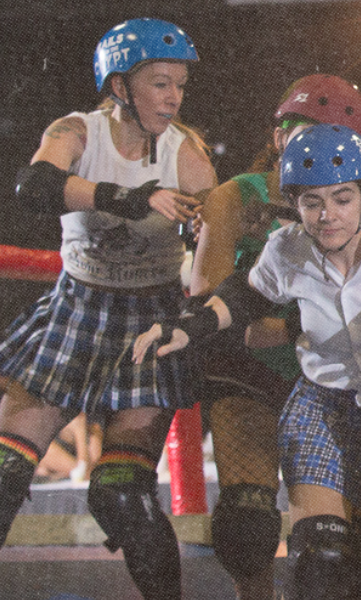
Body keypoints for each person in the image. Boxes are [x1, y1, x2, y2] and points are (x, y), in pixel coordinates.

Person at [133, 123, 361, 599]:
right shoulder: (287, 246)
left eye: (342, 198)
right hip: (322, 403)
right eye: (311, 202)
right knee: (319, 556)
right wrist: (189, 326)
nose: (327, 216)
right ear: (294, 203)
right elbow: (244, 296)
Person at [0, 18, 215, 600]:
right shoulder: (78, 131)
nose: (173, 98)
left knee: (121, 492)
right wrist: (131, 198)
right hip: (78, 309)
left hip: (149, 319)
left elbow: (219, 249)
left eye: (179, 86)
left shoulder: (186, 156)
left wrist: (210, 230)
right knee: (4, 472)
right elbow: (35, 187)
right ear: (120, 87)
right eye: (160, 84)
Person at [185, 73, 361, 600]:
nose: (308, 146)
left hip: (330, 373)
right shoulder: (234, 197)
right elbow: (206, 295)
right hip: (250, 369)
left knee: (338, 547)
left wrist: (288, 324)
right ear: (277, 137)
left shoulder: (360, 203)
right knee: (248, 523)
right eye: (297, 131)